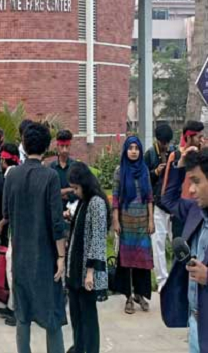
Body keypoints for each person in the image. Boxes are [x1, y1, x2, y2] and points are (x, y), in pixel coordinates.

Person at [2, 122, 66, 353]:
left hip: (20, 255)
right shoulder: (50, 177)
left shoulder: (12, 175)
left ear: (24, 144)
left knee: (22, 315)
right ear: (46, 146)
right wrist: (61, 256)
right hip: (45, 256)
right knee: (52, 315)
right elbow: (57, 222)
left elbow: (6, 213)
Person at [160, 147, 208, 352]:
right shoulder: (195, 210)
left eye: (196, 181)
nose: (191, 190)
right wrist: (178, 167)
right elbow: (168, 200)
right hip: (195, 322)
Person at [66, 162, 110, 353]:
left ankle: (90, 348)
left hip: (87, 271)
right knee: (76, 314)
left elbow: (98, 239)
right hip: (76, 268)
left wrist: (90, 272)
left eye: (76, 188)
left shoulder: (97, 203)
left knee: (88, 316)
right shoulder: (85, 202)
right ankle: (79, 347)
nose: (75, 192)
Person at [112, 136, 155, 315]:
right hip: (126, 222)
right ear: (125, 150)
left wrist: (151, 219)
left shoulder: (144, 170)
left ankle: (140, 294)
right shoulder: (119, 171)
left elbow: (150, 197)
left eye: (137, 148)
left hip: (142, 223)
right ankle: (128, 297)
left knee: (142, 261)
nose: (134, 151)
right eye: (130, 148)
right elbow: (115, 197)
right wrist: (115, 219)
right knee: (126, 262)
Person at [145, 124, 175, 292]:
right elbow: (143, 178)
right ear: (158, 140)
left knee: (177, 241)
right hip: (157, 205)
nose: (166, 146)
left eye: (167, 143)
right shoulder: (150, 154)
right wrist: (155, 172)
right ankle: (162, 282)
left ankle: (177, 279)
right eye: (163, 143)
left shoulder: (173, 152)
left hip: (172, 206)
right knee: (158, 245)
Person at [0, 143, 21, 327]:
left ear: (4, 159)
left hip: (17, 230)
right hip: (16, 228)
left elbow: (9, 204)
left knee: (13, 269)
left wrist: (3, 220)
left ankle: (17, 310)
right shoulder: (16, 172)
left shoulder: (10, 174)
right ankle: (11, 306)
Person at [48, 129, 77, 216]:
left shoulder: (75, 167)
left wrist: (60, 193)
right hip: (54, 212)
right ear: (57, 146)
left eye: (67, 146)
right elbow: (50, 193)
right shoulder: (51, 168)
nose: (64, 150)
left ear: (70, 145)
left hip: (72, 212)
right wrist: (69, 189)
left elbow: (78, 191)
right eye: (62, 146)